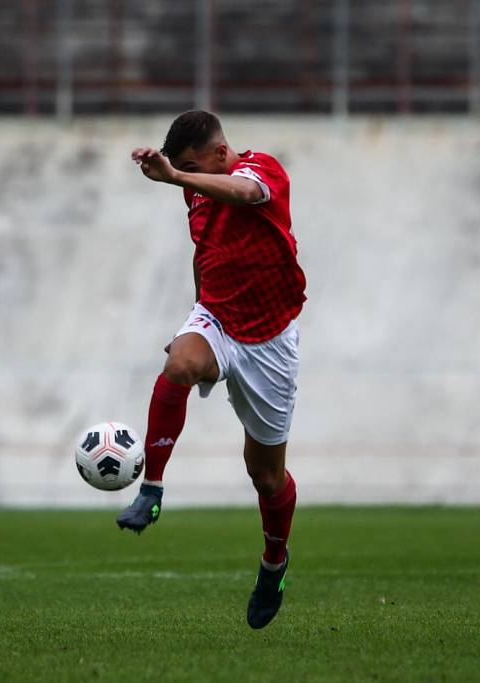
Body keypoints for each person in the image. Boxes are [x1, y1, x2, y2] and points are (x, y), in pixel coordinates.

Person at [119, 110, 307, 629]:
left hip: (271, 338)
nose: (183, 175)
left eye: (190, 166)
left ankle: (274, 563)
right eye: (180, 169)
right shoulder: (193, 189)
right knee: (179, 364)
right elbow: (205, 253)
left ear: (220, 156)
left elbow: (245, 195)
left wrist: (176, 175)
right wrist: (194, 324)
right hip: (219, 318)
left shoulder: (263, 170)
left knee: (266, 477)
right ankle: (151, 492)